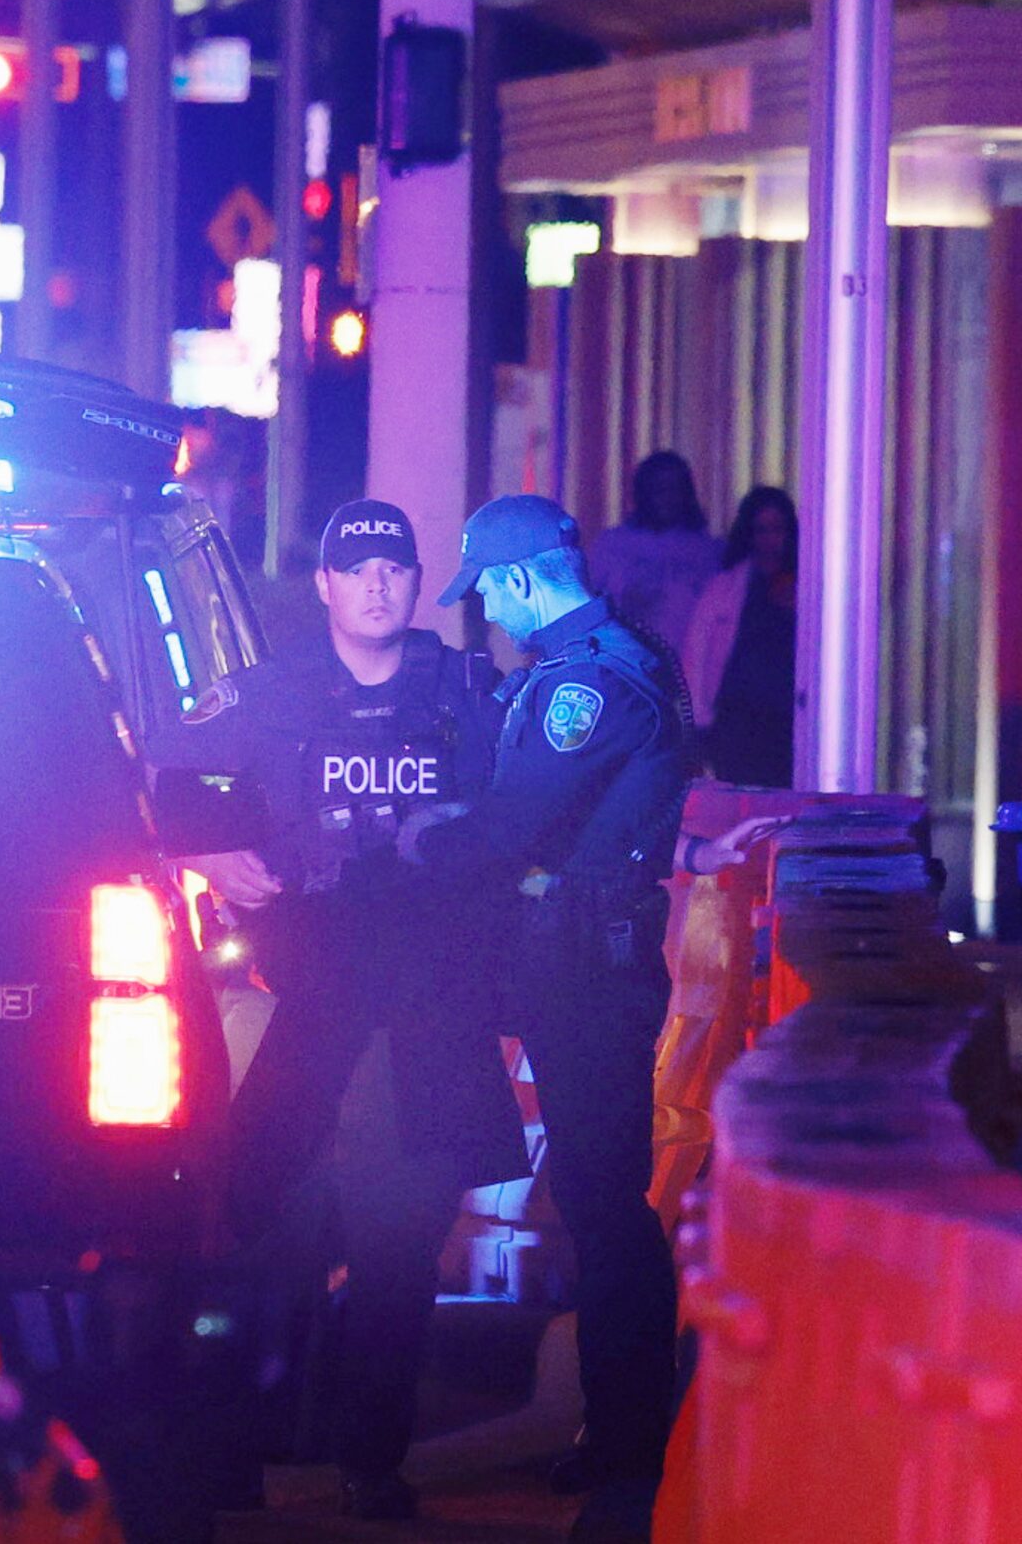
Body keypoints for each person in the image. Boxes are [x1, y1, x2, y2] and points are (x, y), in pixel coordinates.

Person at [176, 499, 528, 1523]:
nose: (376, 584)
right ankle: (241, 1454)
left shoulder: (468, 690)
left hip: (425, 1032)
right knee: (258, 1241)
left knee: (396, 1261)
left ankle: (371, 1465)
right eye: (354, 567)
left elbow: (553, 801)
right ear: (323, 584)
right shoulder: (266, 695)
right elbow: (152, 790)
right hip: (310, 1024)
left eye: (393, 568)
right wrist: (196, 851)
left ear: (415, 584)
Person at [401, 493, 691, 1544]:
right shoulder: (599, 662)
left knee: (606, 1204)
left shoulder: (589, 683)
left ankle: (628, 1453)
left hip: (586, 972)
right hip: (560, 962)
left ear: (519, 580)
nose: (487, 619)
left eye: (486, 596)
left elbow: (516, 821)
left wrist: (424, 836)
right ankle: (619, 1437)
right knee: (587, 1192)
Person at [680, 485, 797, 789]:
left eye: (777, 529)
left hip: (788, 720)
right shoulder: (725, 588)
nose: (770, 540)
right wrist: (698, 721)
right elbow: (698, 655)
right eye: (761, 530)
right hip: (737, 720)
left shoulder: (808, 587)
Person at [582, 451, 722, 656]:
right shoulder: (611, 546)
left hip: (687, 667)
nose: (668, 498)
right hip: (624, 664)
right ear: (643, 492)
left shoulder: (709, 551)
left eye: (675, 489)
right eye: (659, 489)